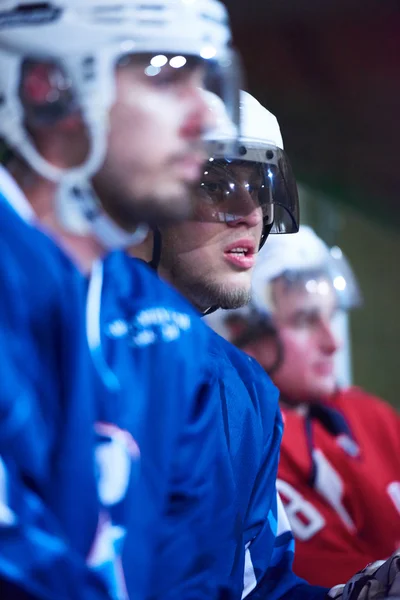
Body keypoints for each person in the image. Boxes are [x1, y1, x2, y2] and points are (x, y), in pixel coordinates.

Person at [0, 0, 239, 598]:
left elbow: (191, 579)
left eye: (207, 81)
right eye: (165, 73)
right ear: (47, 86)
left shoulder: (171, 337)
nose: (206, 118)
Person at [210, 225, 400, 588]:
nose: (332, 343)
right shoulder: (246, 439)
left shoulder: (371, 416)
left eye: (331, 317)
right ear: (240, 331)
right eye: (305, 321)